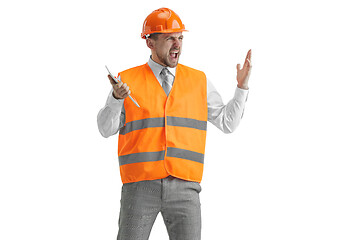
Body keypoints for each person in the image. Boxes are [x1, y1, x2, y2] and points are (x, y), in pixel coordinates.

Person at [97, 7, 252, 240]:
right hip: (140, 186)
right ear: (150, 43)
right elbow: (105, 129)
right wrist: (116, 98)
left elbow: (228, 123)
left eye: (180, 37)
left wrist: (241, 88)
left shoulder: (198, 81)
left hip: (186, 187)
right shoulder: (127, 81)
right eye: (169, 38)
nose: (177, 44)